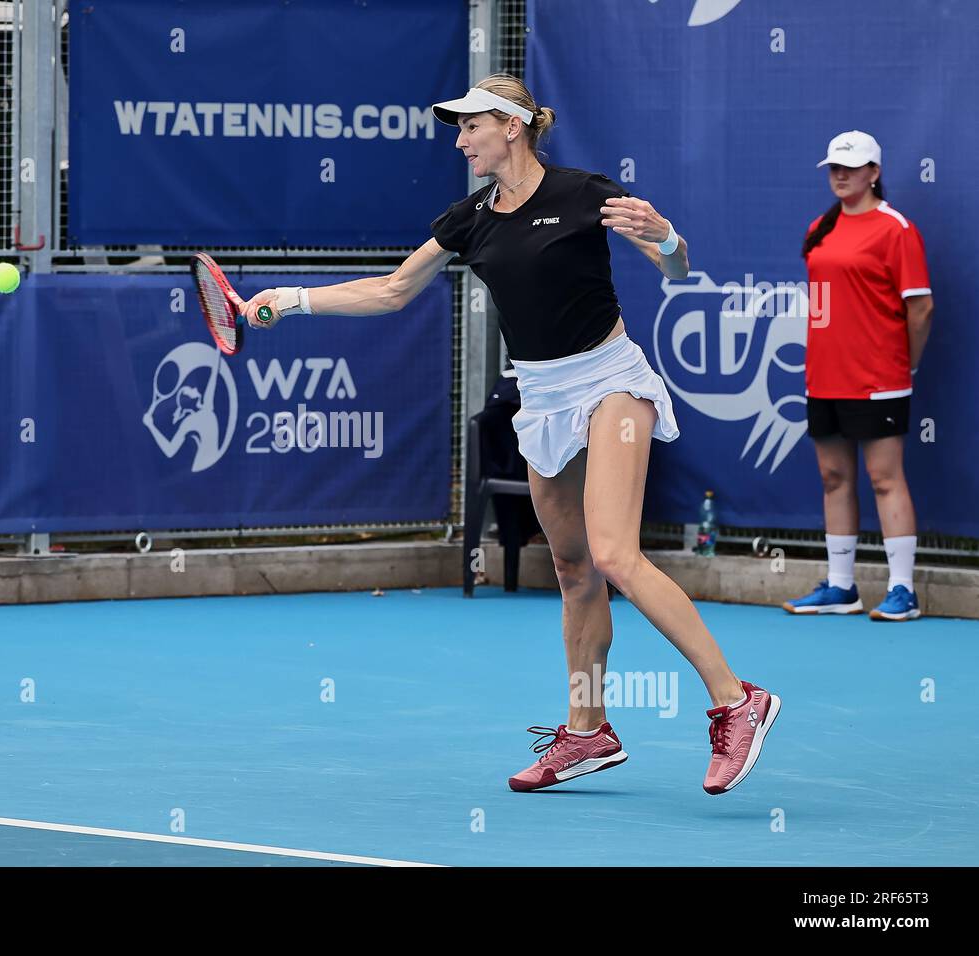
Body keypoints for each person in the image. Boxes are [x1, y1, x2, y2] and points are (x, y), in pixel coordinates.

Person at [239, 74, 779, 795]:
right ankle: (588, 732)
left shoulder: (585, 192)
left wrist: (671, 238)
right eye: (458, 128)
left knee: (616, 553)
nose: (460, 140)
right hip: (542, 395)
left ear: (513, 126)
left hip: (612, 380)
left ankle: (737, 700)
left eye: (471, 127)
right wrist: (292, 300)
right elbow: (393, 290)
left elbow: (678, 271)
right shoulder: (469, 218)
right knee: (573, 570)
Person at [784, 131, 933, 622]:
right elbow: (825, 304)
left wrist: (903, 364)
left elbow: (921, 308)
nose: (841, 175)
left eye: (852, 166)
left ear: (874, 172)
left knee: (885, 478)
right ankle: (842, 587)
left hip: (880, 378)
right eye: (834, 167)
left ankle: (902, 590)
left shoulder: (896, 229)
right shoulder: (818, 228)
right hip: (823, 376)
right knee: (833, 477)